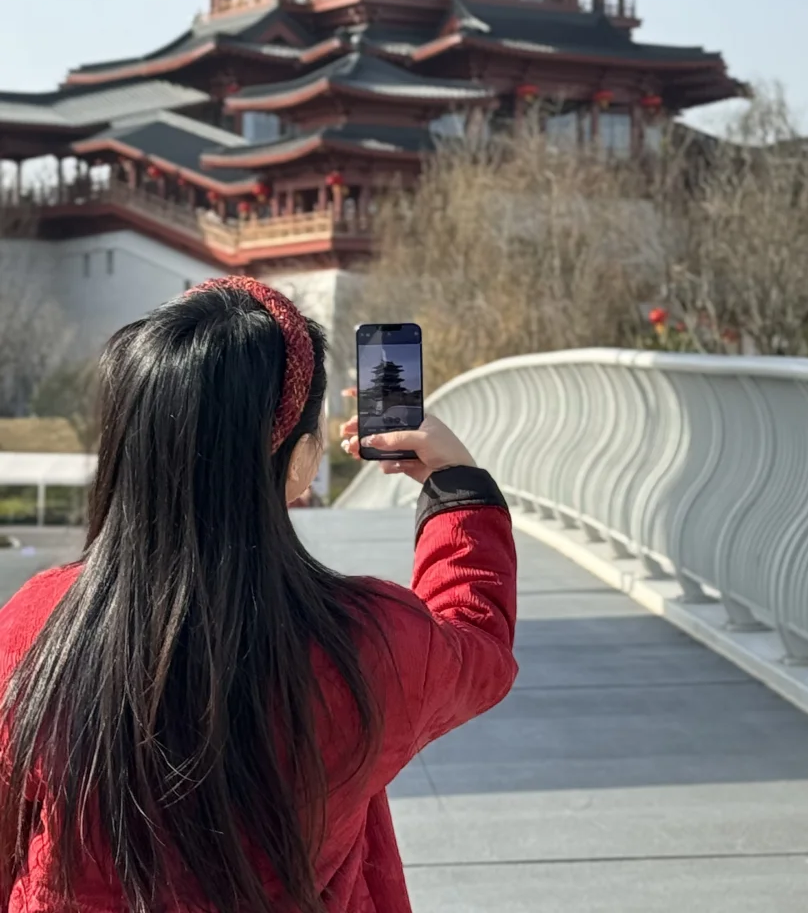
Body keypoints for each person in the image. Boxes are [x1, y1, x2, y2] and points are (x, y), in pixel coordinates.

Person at [0, 276, 516, 913]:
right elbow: (476, 640)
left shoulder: (33, 627)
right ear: (298, 462)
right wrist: (456, 487)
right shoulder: (366, 645)